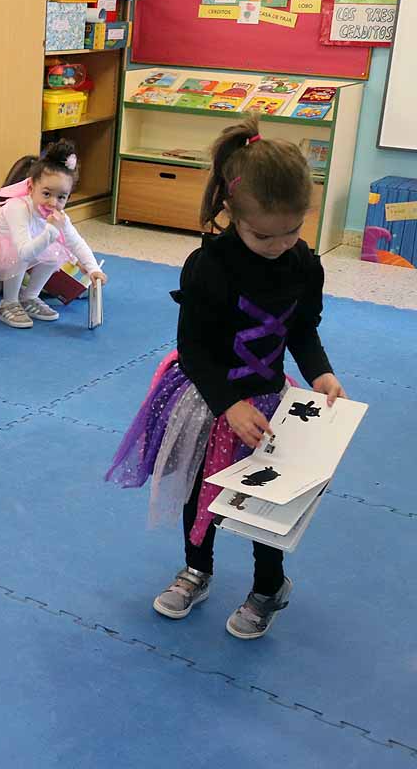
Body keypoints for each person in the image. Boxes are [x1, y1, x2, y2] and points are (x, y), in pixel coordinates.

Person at [106, 117, 346, 640]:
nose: (282, 243)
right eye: (265, 234)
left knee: (269, 503)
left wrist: (322, 373)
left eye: (294, 229)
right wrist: (228, 404)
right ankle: (197, 569)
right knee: (201, 491)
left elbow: (302, 330)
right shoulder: (208, 266)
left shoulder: (304, 264)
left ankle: (269, 587)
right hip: (211, 398)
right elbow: (194, 348)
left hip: (271, 401)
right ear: (232, 213)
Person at [0, 140, 108, 329]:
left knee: (55, 252)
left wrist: (93, 269)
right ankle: (9, 302)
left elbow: (76, 242)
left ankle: (29, 297)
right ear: (31, 188)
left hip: (22, 253)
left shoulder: (59, 216)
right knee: (23, 251)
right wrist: (51, 232)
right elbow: (23, 252)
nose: (52, 203)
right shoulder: (18, 208)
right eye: (47, 194)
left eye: (61, 197)